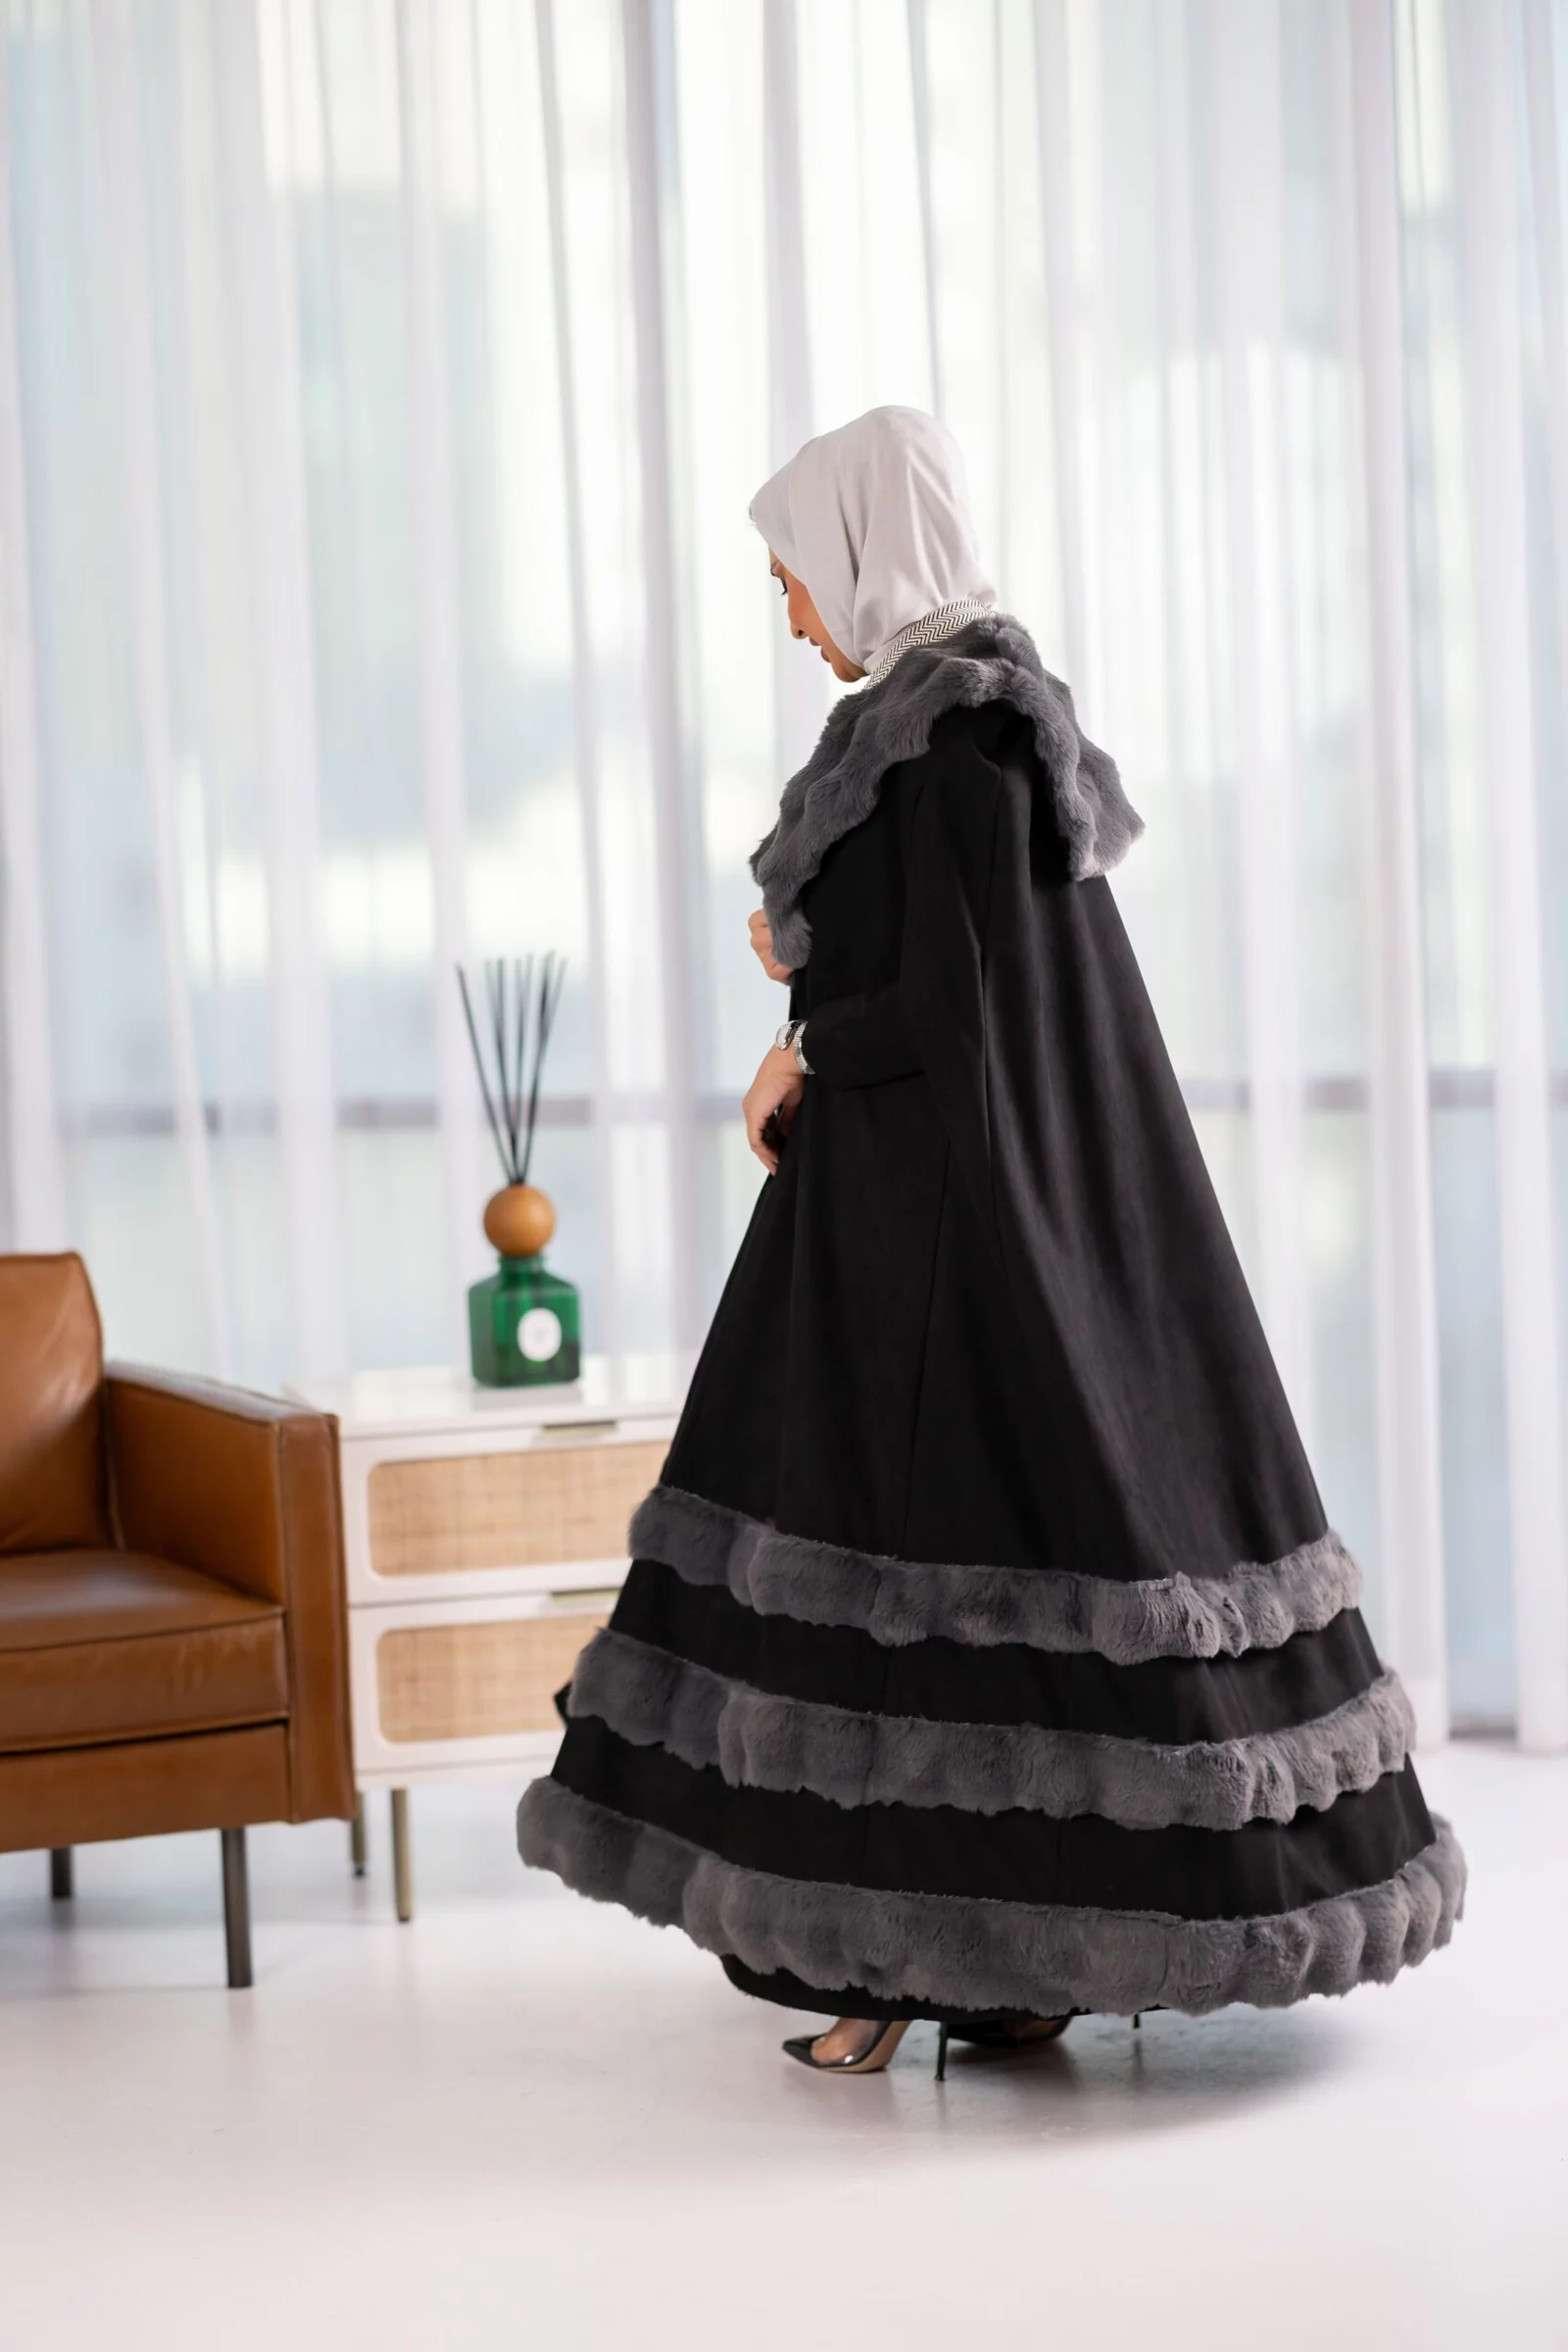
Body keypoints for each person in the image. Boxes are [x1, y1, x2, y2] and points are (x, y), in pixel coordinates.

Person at [517, 404, 1465, 2078]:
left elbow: (947, 1020)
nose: (790, 613)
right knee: (1009, 1583)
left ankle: (884, 1970)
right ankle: (1007, 1973)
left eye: (794, 577)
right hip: (974, 1220)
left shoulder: (940, 744)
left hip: (927, 1251)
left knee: (903, 1598)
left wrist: (805, 1042)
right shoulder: (993, 727)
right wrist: (811, 991)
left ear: (863, 554)